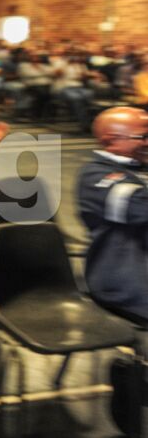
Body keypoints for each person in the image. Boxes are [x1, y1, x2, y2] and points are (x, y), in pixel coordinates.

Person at [77, 107, 148, 322]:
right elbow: (140, 208)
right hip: (127, 278)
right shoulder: (96, 176)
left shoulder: (139, 166)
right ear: (112, 140)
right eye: (144, 136)